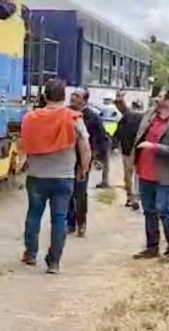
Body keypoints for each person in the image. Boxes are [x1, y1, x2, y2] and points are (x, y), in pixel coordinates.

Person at [19, 79, 91, 274]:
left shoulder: (30, 118)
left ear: (44, 96)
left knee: (34, 214)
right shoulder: (74, 118)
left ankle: (31, 253)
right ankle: (54, 263)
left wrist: (22, 162)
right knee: (59, 218)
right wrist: (83, 169)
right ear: (64, 96)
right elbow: (85, 148)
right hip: (64, 176)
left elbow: (23, 144)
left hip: (36, 175)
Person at [132, 88, 169, 262]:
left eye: (161, 96)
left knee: (164, 209)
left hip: (165, 175)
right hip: (145, 171)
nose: (157, 99)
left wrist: (153, 147)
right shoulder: (151, 115)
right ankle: (152, 247)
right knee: (149, 210)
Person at [66, 88, 108, 237]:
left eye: (76, 96)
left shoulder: (92, 117)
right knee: (67, 192)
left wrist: (99, 158)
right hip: (66, 160)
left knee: (80, 192)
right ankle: (70, 222)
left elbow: (102, 138)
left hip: (83, 160)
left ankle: (81, 223)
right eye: (72, 95)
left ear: (84, 100)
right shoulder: (65, 114)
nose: (72, 97)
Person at [113, 92, 144, 210]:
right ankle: (134, 196)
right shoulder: (145, 117)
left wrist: (115, 145)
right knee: (137, 174)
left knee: (129, 174)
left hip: (129, 149)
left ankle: (131, 197)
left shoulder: (128, 116)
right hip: (139, 148)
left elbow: (118, 131)